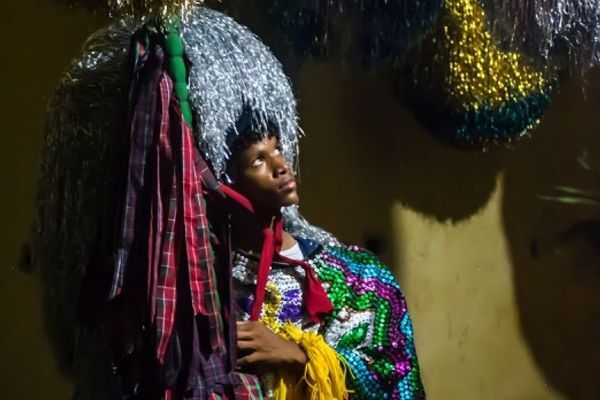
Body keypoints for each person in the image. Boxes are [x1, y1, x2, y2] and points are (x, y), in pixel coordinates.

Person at [207, 120, 426, 399]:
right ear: (226, 183)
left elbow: (395, 372)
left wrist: (299, 356)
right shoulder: (210, 281)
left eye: (278, 150)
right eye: (258, 160)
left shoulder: (361, 276)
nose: (281, 166)